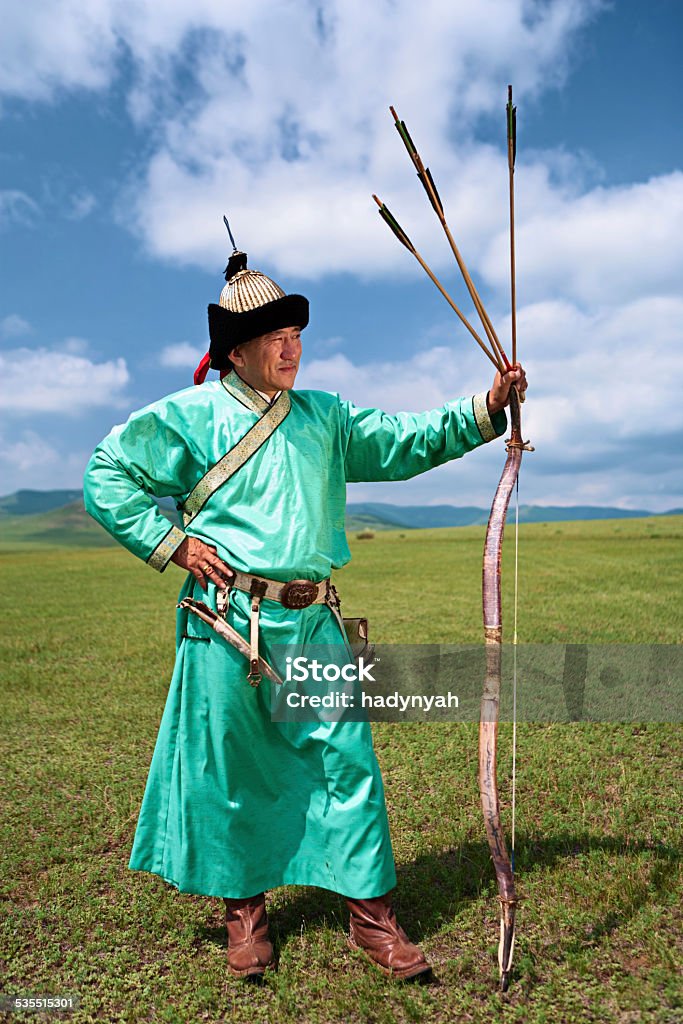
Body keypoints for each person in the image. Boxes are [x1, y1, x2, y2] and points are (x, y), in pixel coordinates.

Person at [83, 238, 527, 983]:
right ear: (236, 351)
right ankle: (245, 914)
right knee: (233, 771)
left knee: (345, 761)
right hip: (226, 622)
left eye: (296, 338)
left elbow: (402, 440)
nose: (292, 350)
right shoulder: (187, 417)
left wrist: (482, 409)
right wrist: (172, 542)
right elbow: (107, 473)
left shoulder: (324, 417)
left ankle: (371, 918)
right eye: (276, 339)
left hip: (312, 618)